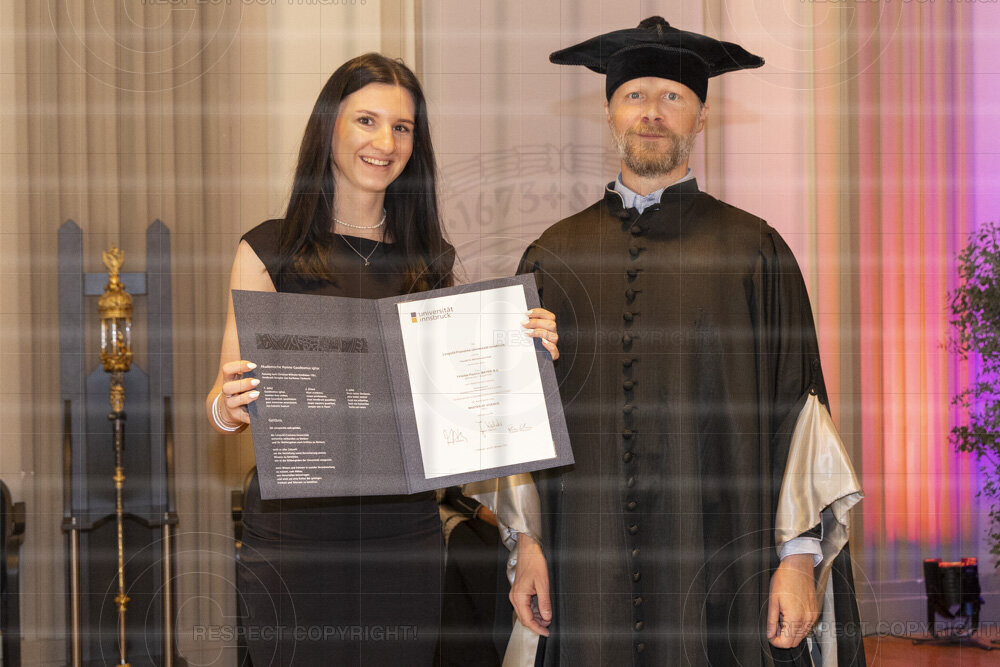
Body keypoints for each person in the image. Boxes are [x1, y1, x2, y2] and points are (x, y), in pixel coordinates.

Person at [508, 17, 865, 667]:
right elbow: (520, 416)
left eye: (672, 96)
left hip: (725, 557)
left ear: (702, 116)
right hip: (587, 564)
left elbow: (800, 410)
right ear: (609, 112)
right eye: (635, 95)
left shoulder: (754, 252)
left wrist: (798, 559)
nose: (652, 111)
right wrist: (527, 545)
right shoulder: (552, 257)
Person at [204, 52, 559, 665]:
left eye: (402, 128)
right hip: (293, 542)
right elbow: (220, 402)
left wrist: (522, 353)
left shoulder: (431, 262)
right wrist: (227, 409)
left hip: (404, 539)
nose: (385, 143)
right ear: (329, 128)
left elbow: (459, 414)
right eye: (366, 121)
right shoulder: (268, 250)